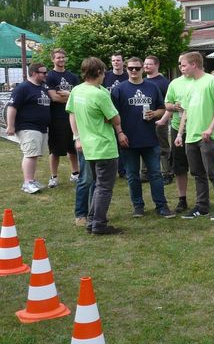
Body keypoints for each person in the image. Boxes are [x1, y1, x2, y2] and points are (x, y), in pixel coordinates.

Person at [66, 57, 125, 235]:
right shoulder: (100, 94)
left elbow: (72, 113)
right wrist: (109, 118)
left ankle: (92, 220)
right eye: (104, 72)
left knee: (97, 185)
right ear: (99, 72)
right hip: (104, 146)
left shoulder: (77, 90)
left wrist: (77, 137)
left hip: (87, 146)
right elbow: (116, 119)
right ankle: (99, 223)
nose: (105, 75)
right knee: (104, 187)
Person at [111, 57, 174, 218]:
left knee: (156, 174)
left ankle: (161, 206)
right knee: (132, 175)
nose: (134, 71)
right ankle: (138, 206)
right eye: (131, 68)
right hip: (128, 139)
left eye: (137, 68)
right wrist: (119, 133)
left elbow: (162, 108)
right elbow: (113, 115)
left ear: (142, 70)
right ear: (126, 69)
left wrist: (155, 113)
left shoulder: (152, 87)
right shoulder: (119, 89)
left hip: (150, 138)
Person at [175, 51, 214, 220]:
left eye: (184, 65)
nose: (181, 68)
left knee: (213, 173)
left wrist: (210, 129)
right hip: (190, 137)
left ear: (194, 64)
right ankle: (202, 206)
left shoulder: (212, 81)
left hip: (207, 136)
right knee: (197, 174)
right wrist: (180, 134)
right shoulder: (189, 85)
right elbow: (185, 112)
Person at [7, 62, 51, 194]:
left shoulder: (42, 88)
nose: (46, 75)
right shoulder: (23, 88)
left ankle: (31, 180)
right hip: (27, 126)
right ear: (33, 73)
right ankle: (27, 183)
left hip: (41, 127)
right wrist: (10, 126)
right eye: (43, 73)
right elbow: (12, 107)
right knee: (30, 154)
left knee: (34, 154)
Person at [157, 55, 193, 214]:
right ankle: (182, 199)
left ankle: (203, 199)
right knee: (179, 167)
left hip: (197, 129)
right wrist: (174, 107)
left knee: (200, 167)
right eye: (179, 64)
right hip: (179, 129)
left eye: (183, 64)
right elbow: (167, 104)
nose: (180, 67)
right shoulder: (175, 83)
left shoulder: (202, 81)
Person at [44, 48, 80, 188]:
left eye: (63, 57)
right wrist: (72, 96)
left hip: (73, 116)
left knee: (74, 147)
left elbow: (79, 95)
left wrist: (68, 95)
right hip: (57, 118)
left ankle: (75, 173)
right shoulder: (49, 76)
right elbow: (54, 97)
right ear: (52, 59)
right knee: (55, 150)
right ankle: (53, 177)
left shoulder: (73, 76)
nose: (61, 59)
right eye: (58, 57)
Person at [143, 55, 172, 183]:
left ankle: (167, 173)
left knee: (162, 147)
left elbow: (169, 104)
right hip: (144, 121)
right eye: (145, 64)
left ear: (157, 65)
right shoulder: (142, 81)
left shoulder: (164, 83)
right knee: (144, 145)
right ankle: (145, 173)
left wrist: (161, 117)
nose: (146, 66)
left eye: (149, 64)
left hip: (160, 120)